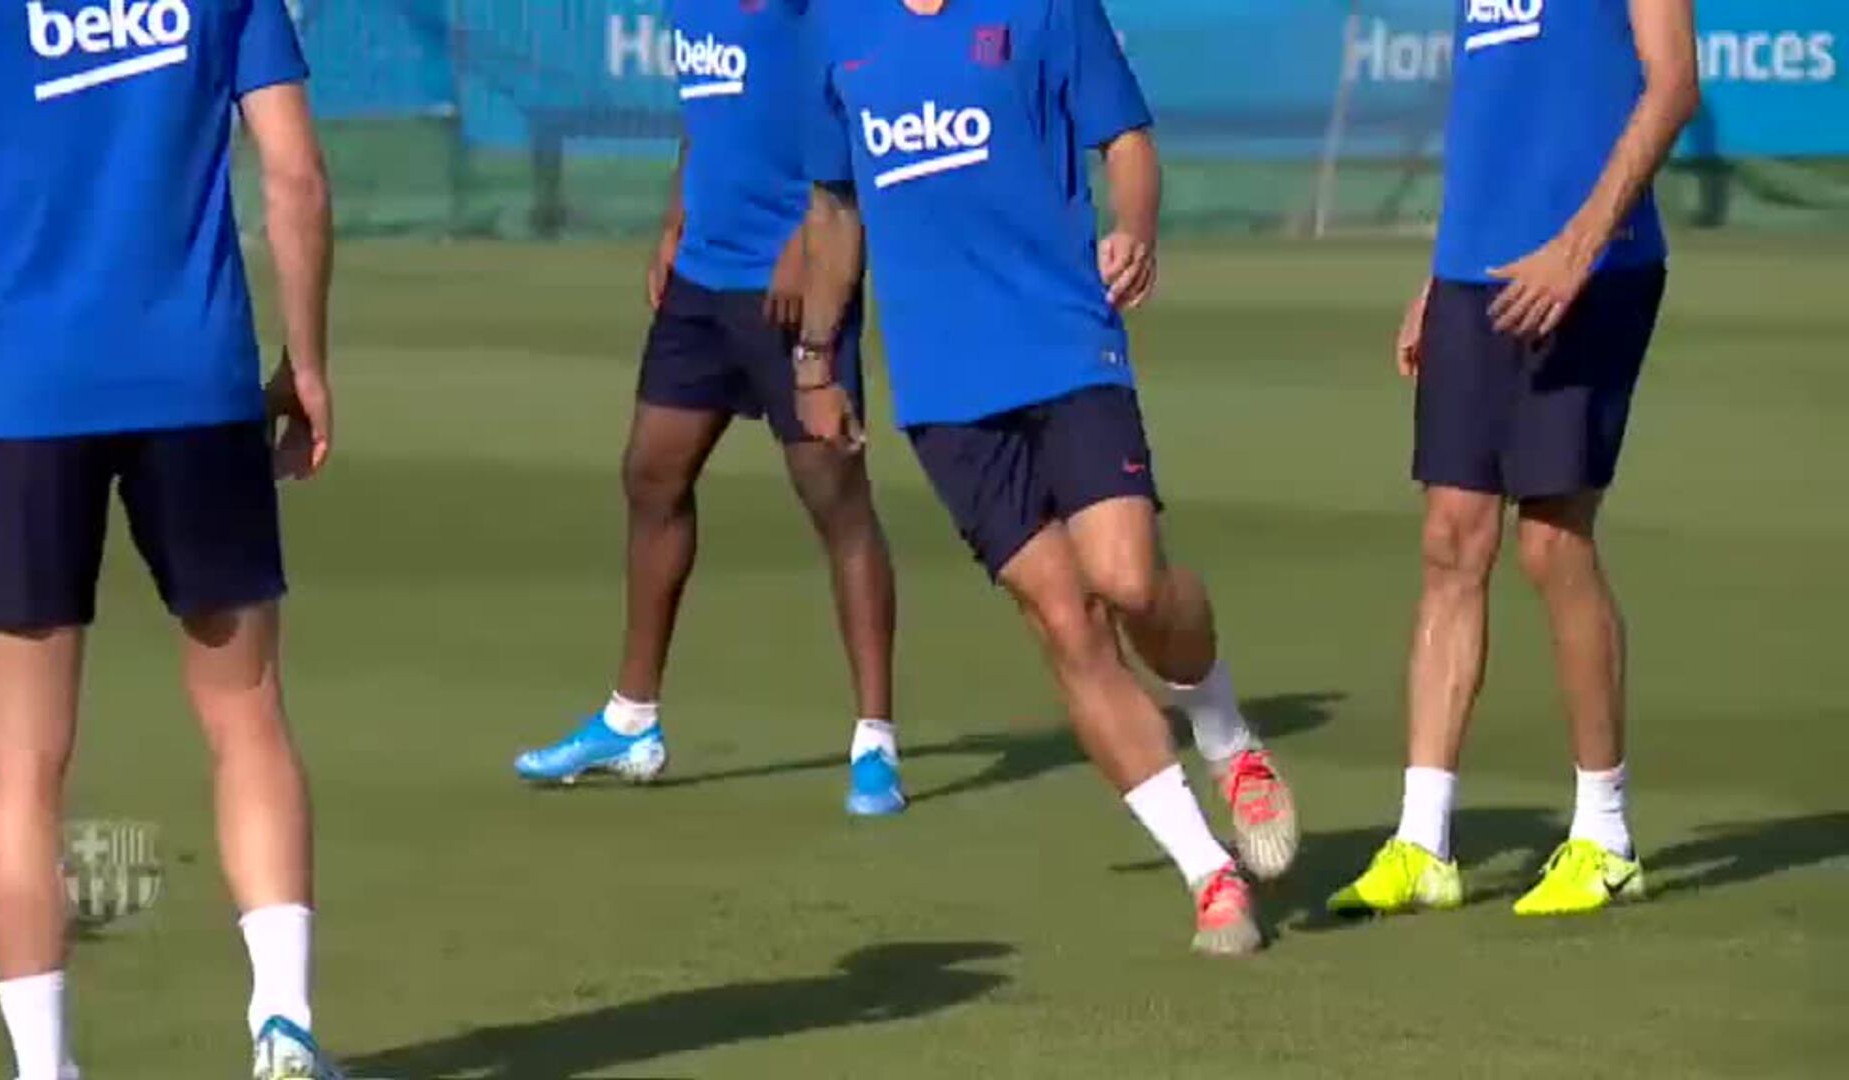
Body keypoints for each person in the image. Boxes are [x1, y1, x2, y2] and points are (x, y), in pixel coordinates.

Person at [794, 0, 1298, 955]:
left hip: (1065, 345)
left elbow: (1128, 141)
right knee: (1066, 623)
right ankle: (1209, 875)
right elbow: (833, 206)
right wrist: (816, 361)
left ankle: (1226, 732)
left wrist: (1137, 229)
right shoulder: (837, 28)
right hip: (945, 391)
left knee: (1130, 580)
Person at [0, 1, 341, 1076]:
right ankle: (285, 1027)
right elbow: (294, 173)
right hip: (194, 386)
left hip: (20, 396)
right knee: (248, 717)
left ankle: (43, 1066)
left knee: (22, 763)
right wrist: (306, 361)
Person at [1328, 0, 1700, 919]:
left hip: (1595, 271)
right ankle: (1423, 844)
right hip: (1473, 274)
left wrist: (1577, 250)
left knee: (1551, 543)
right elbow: (1498, 114)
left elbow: (1674, 87)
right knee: (1451, 541)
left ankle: (1605, 838)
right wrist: (1441, 276)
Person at [513, 0, 904, 816]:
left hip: (792, 281)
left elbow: (862, 95)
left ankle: (875, 740)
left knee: (836, 499)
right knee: (651, 474)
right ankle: (632, 720)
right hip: (702, 279)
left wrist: (812, 239)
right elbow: (705, 118)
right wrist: (674, 219)